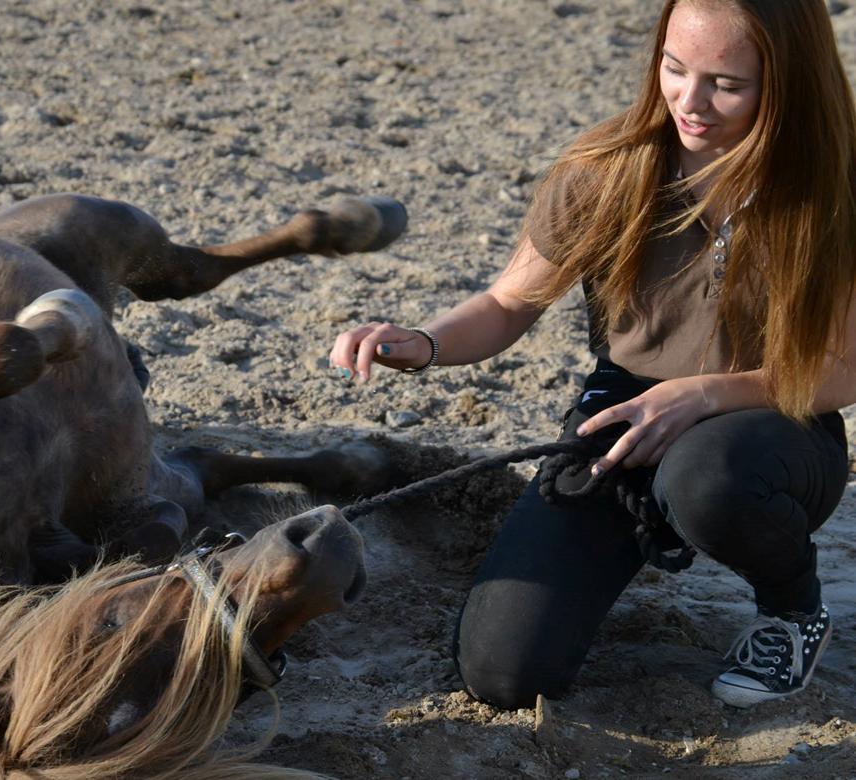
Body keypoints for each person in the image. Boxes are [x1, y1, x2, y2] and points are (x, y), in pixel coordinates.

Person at [329, 0, 856, 710]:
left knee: (707, 479)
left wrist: (702, 395)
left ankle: (792, 611)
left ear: (790, 80)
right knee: (502, 675)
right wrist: (424, 343)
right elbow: (508, 304)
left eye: (726, 85)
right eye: (675, 69)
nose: (689, 103)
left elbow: (841, 370)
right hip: (620, 423)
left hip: (773, 422)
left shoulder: (837, 186)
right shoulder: (610, 166)